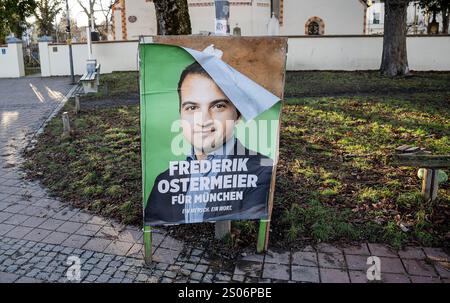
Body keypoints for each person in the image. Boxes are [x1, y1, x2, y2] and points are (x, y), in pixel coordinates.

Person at [144, 62, 273, 225]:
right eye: (192, 107)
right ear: (180, 115)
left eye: (218, 106)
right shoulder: (165, 181)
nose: (204, 120)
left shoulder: (262, 171)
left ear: (238, 113)